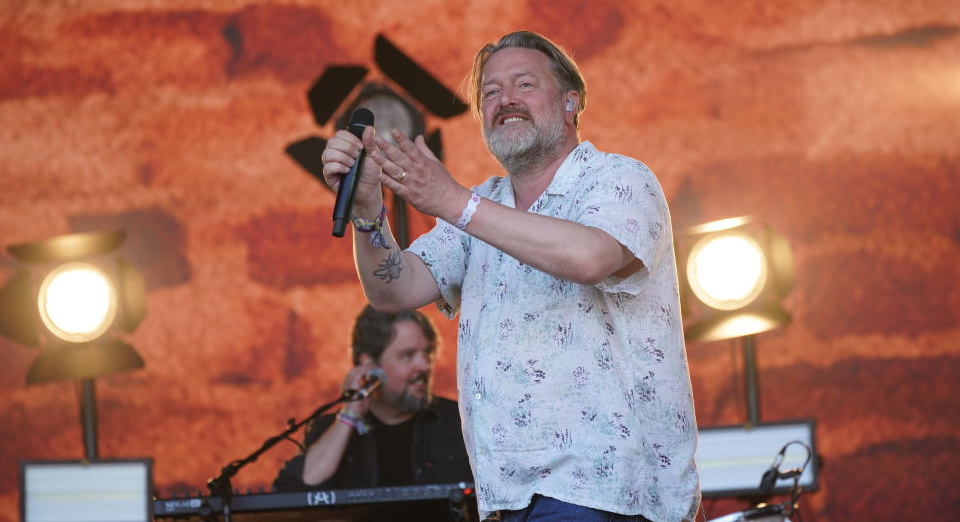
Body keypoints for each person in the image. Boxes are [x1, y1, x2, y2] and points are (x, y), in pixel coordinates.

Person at [320, 31, 700, 522]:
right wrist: (368, 212)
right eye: (491, 93)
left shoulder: (618, 179)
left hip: (606, 495)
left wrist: (453, 201)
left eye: (524, 84)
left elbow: (590, 257)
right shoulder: (483, 204)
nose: (506, 101)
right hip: (505, 497)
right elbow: (395, 289)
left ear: (571, 101)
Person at [273, 305, 473, 495]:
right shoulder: (329, 429)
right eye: (407, 355)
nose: (424, 366)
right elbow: (294, 493)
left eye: (427, 353)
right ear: (369, 365)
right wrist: (349, 417)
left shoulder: (461, 422)